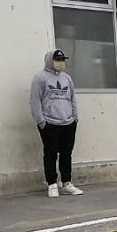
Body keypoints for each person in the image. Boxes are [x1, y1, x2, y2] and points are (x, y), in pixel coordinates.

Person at [30, 49, 84, 198]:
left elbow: (72, 98)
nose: (60, 63)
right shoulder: (40, 78)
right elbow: (35, 101)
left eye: (62, 60)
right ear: (50, 60)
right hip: (50, 123)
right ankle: (52, 184)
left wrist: (75, 118)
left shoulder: (67, 78)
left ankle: (67, 183)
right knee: (50, 154)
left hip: (68, 122)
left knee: (66, 154)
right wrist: (41, 121)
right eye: (57, 60)